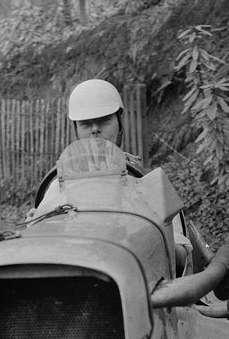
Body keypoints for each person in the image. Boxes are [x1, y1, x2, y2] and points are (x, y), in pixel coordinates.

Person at [47, 78, 212, 275]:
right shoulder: (59, 186)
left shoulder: (148, 183)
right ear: (75, 129)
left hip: (141, 286)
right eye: (85, 123)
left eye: (104, 120)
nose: (95, 130)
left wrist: (150, 239)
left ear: (120, 123)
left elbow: (182, 258)